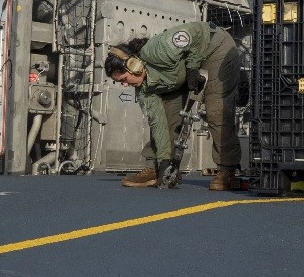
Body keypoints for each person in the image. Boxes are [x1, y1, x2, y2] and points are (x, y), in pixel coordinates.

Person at [104, 21, 242, 191]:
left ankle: (227, 170)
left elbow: (194, 32)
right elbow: (157, 123)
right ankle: (157, 168)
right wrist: (164, 161)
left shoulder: (157, 49)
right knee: (168, 111)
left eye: (124, 79)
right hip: (180, 73)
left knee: (216, 110)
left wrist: (192, 67)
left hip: (215, 49)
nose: (125, 85)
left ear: (134, 66)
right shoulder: (144, 90)